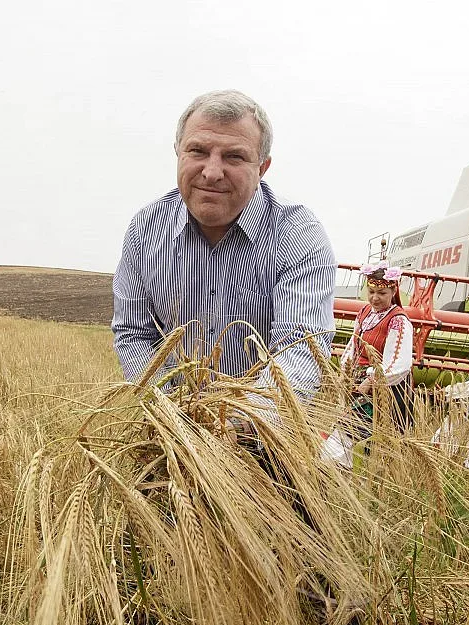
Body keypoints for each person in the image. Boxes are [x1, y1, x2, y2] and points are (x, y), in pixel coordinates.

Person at [111, 89, 337, 428]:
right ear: (178, 153)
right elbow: (134, 332)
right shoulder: (145, 229)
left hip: (268, 441)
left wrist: (236, 424)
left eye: (234, 157)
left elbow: (300, 347)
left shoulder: (298, 235)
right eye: (198, 151)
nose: (212, 171)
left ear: (263, 167)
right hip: (171, 432)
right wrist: (173, 413)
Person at [320, 262, 414, 467]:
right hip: (357, 382)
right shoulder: (364, 312)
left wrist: (371, 381)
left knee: (345, 433)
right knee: (341, 432)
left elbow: (399, 362)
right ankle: (338, 477)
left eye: (382, 292)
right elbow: (353, 346)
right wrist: (344, 372)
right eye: (371, 291)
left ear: (393, 291)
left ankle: (334, 475)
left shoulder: (398, 321)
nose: (375, 298)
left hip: (383, 390)